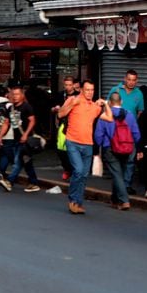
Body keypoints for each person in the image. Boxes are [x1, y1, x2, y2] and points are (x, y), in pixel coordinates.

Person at [57, 80, 112, 215]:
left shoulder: (94, 107)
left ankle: (78, 202)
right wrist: (72, 104)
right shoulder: (72, 99)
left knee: (84, 175)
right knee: (78, 170)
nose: (90, 92)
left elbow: (110, 118)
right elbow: (60, 114)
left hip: (88, 144)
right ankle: (72, 200)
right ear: (81, 90)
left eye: (92, 90)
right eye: (87, 90)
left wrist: (105, 104)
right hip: (72, 142)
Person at [94, 92, 140, 210]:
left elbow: (98, 136)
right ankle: (115, 200)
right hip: (126, 148)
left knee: (117, 174)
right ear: (122, 102)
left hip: (109, 148)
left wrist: (100, 147)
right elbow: (136, 134)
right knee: (119, 173)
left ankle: (124, 200)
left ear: (109, 102)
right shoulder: (129, 115)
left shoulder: (105, 115)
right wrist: (135, 146)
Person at [107, 70, 145, 193]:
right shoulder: (116, 90)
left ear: (137, 81)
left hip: (130, 133)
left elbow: (140, 112)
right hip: (115, 132)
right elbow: (107, 107)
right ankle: (118, 185)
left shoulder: (139, 94)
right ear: (125, 79)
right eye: (129, 79)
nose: (131, 82)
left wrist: (133, 125)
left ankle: (127, 185)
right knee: (117, 159)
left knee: (130, 160)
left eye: (134, 80)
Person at [4, 85, 42, 193]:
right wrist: (1, 136)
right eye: (13, 94)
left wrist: (25, 134)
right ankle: (34, 183)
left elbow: (32, 121)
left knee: (18, 161)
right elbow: (6, 123)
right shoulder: (11, 108)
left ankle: (9, 181)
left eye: (17, 94)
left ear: (22, 95)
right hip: (17, 139)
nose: (15, 96)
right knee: (26, 162)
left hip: (26, 140)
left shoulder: (26, 107)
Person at [52, 76, 78, 180]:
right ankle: (67, 169)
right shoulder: (60, 95)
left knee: (72, 149)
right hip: (62, 124)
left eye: (70, 85)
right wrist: (55, 109)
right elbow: (52, 108)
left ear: (73, 85)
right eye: (66, 85)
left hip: (74, 124)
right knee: (60, 149)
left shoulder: (78, 95)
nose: (68, 87)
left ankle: (72, 170)